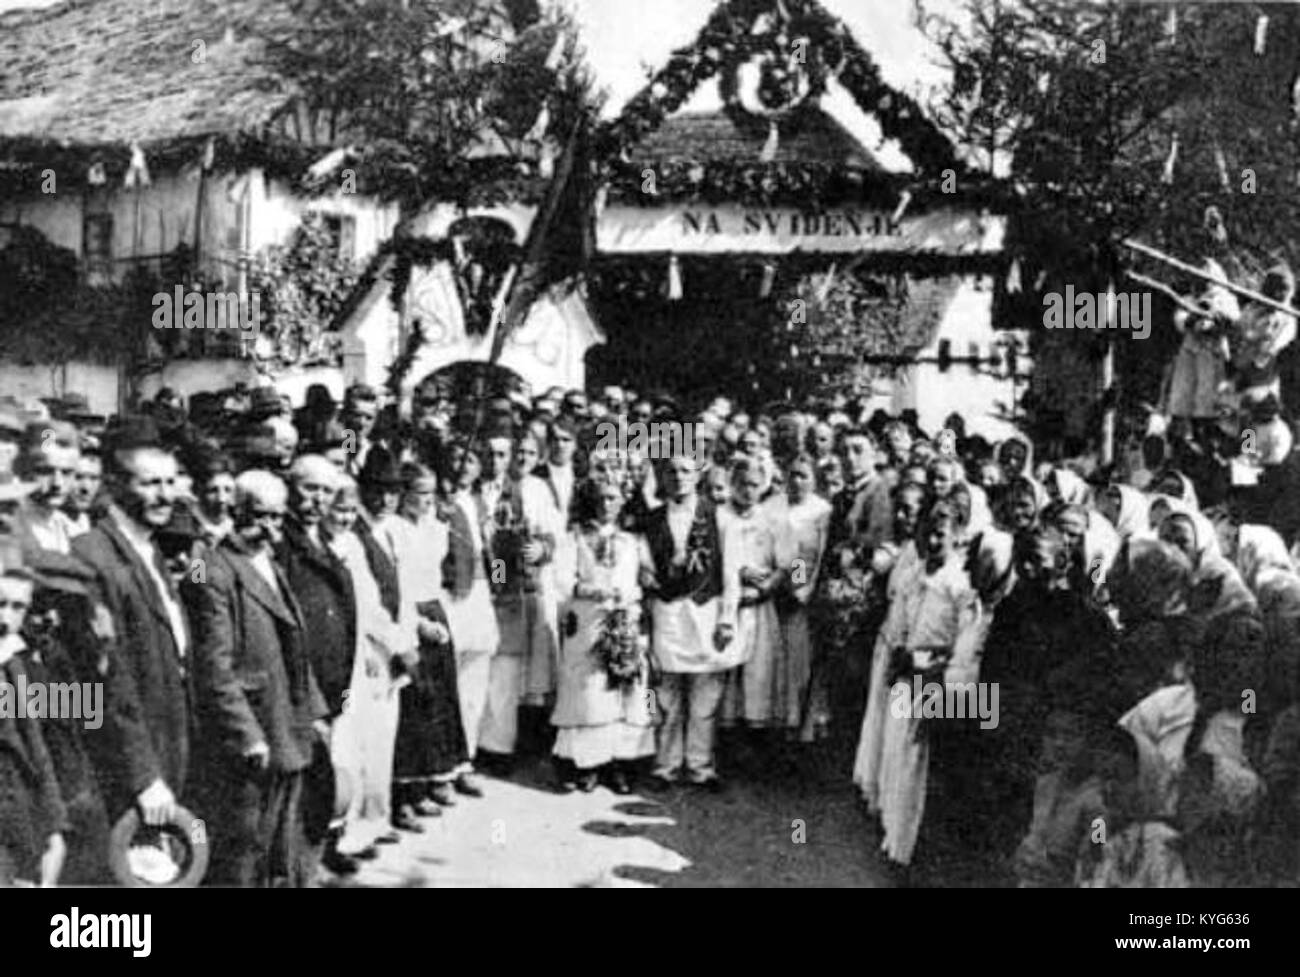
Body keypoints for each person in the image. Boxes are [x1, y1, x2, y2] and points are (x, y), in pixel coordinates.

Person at [182, 471, 328, 887]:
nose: (269, 528)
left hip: (287, 723)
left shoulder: (268, 561)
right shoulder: (212, 567)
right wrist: (246, 733)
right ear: (236, 511)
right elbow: (213, 665)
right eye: (259, 517)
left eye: (278, 519)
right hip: (253, 733)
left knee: (280, 844)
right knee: (243, 849)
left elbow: (294, 645)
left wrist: (315, 710)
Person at [276, 455, 363, 876]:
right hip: (301, 690)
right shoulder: (281, 543)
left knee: (324, 783)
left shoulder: (326, 541)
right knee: (300, 793)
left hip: (331, 686)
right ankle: (297, 870)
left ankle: (319, 854)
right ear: (290, 486)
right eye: (310, 488)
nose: (318, 500)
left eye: (326, 491)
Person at [639, 452, 739, 790]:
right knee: (666, 697)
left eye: (685, 471)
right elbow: (644, 563)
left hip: (706, 614)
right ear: (662, 478)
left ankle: (700, 766)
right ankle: (665, 766)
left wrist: (727, 619)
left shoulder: (720, 518)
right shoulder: (652, 520)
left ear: (697, 476)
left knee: (705, 699)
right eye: (671, 472)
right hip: (668, 614)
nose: (679, 477)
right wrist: (648, 577)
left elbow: (730, 574)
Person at [551, 478, 654, 793]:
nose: (606, 504)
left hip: (625, 619)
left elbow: (648, 575)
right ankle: (587, 764)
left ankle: (620, 764)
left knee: (624, 688)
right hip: (587, 620)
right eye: (600, 497)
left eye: (613, 498)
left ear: (623, 502)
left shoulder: (633, 540)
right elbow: (563, 581)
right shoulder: (575, 537)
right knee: (589, 690)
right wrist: (594, 590)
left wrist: (638, 588)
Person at [0, 544, 67, 886]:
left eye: (16, 607)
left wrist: (54, 830)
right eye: (0, 603)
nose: (4, 618)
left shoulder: (19, 666)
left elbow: (38, 750)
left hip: (21, 825)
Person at [436, 439, 494, 796]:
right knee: (448, 681)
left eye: (470, 459)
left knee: (474, 681)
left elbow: (493, 554)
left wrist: (501, 585)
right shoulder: (439, 505)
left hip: (481, 593)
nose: (464, 466)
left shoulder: (481, 503)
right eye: (456, 459)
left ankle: (466, 760)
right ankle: (442, 767)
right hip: (450, 595)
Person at [774, 453, 830, 739]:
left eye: (804, 475)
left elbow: (816, 555)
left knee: (801, 662)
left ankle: (802, 728)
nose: (796, 481)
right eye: (792, 474)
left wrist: (800, 588)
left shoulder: (821, 510)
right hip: (776, 588)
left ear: (814, 480)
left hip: (803, 592)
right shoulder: (775, 505)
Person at [13, 422, 81, 556]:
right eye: (45, 471)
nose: (57, 483)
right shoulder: (9, 523)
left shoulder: (72, 529)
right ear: (23, 471)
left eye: (67, 473)